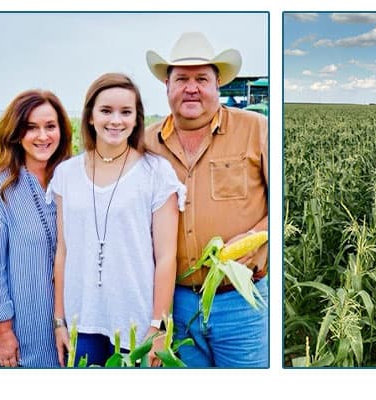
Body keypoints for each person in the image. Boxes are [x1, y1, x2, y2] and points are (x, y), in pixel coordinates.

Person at [144, 32, 268, 367]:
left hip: (239, 301)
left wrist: (258, 237)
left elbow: (284, 208)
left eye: (202, 79)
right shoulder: (146, 143)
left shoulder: (258, 130)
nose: (191, 88)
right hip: (176, 303)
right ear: (167, 86)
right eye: (181, 79)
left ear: (217, 85)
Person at [48, 73, 186, 367]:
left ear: (137, 119)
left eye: (126, 112)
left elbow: (165, 257)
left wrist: (159, 326)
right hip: (79, 320)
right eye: (106, 111)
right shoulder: (66, 174)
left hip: (135, 323)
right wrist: (59, 320)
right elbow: (63, 251)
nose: (116, 120)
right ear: (89, 117)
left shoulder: (156, 172)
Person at [0, 89, 73, 367]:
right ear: (16, 133)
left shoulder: (75, 179)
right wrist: (2, 332)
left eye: (50, 126)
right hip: (25, 330)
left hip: (74, 323)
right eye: (31, 128)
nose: (42, 136)